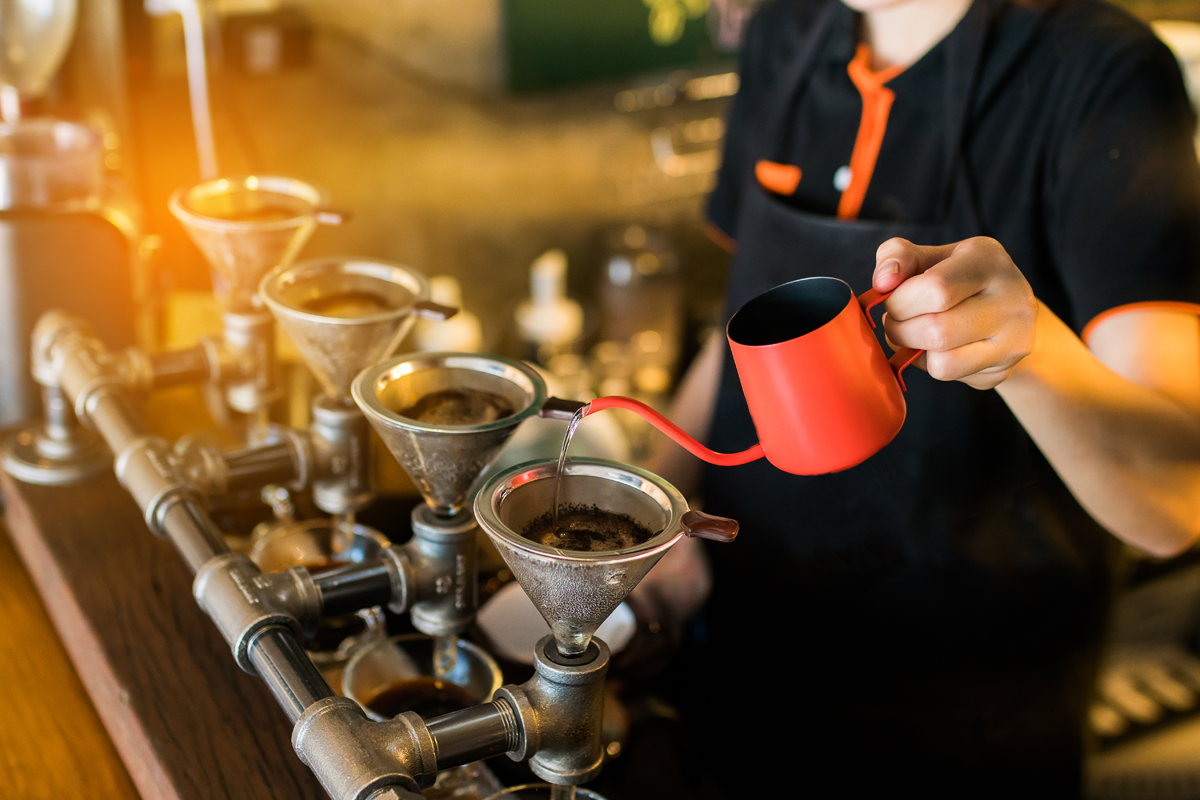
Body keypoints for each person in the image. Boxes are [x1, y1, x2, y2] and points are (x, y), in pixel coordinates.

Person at [632, 0, 1200, 795]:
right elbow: (738, 340)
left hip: (959, 718)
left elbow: (1175, 501)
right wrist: (646, 513)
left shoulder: (1105, 71)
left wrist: (1028, 346)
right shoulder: (783, 32)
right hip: (737, 647)